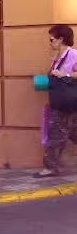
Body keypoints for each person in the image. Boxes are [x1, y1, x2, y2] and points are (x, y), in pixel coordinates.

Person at [37, 25, 77, 178]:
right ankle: (50, 167)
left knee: (56, 133)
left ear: (61, 39)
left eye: (51, 39)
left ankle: (50, 168)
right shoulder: (58, 58)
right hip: (62, 101)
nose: (50, 42)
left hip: (66, 102)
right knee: (72, 132)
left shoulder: (73, 54)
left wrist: (63, 74)